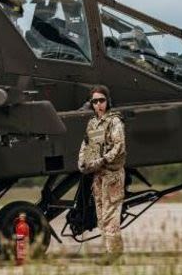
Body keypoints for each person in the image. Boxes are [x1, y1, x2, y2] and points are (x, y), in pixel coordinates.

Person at [76, 85, 126, 261]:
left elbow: (118, 148)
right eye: (95, 101)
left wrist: (102, 161)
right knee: (101, 216)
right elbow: (89, 146)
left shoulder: (114, 122)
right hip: (97, 177)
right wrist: (83, 162)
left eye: (101, 100)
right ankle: (110, 251)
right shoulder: (94, 123)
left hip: (112, 175)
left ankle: (113, 253)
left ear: (108, 101)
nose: (98, 104)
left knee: (110, 215)